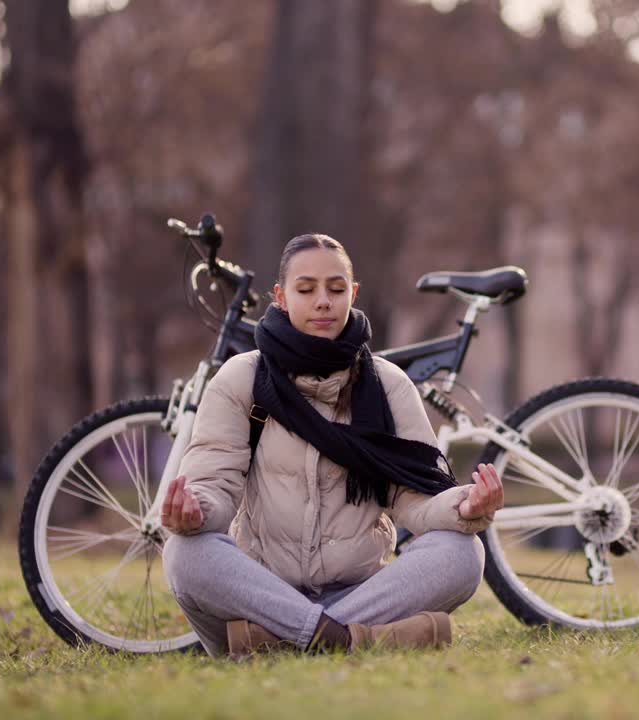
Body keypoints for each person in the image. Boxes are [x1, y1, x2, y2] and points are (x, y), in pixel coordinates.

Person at [161, 233, 504, 659]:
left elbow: (415, 499)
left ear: (352, 294)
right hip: (261, 594)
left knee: (462, 552)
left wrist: (463, 508)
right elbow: (214, 482)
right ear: (281, 297)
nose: (323, 301)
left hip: (362, 593)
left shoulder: (388, 385)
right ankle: (353, 640)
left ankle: (285, 642)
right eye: (306, 289)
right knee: (185, 554)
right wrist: (196, 512)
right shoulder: (242, 379)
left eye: (336, 289)